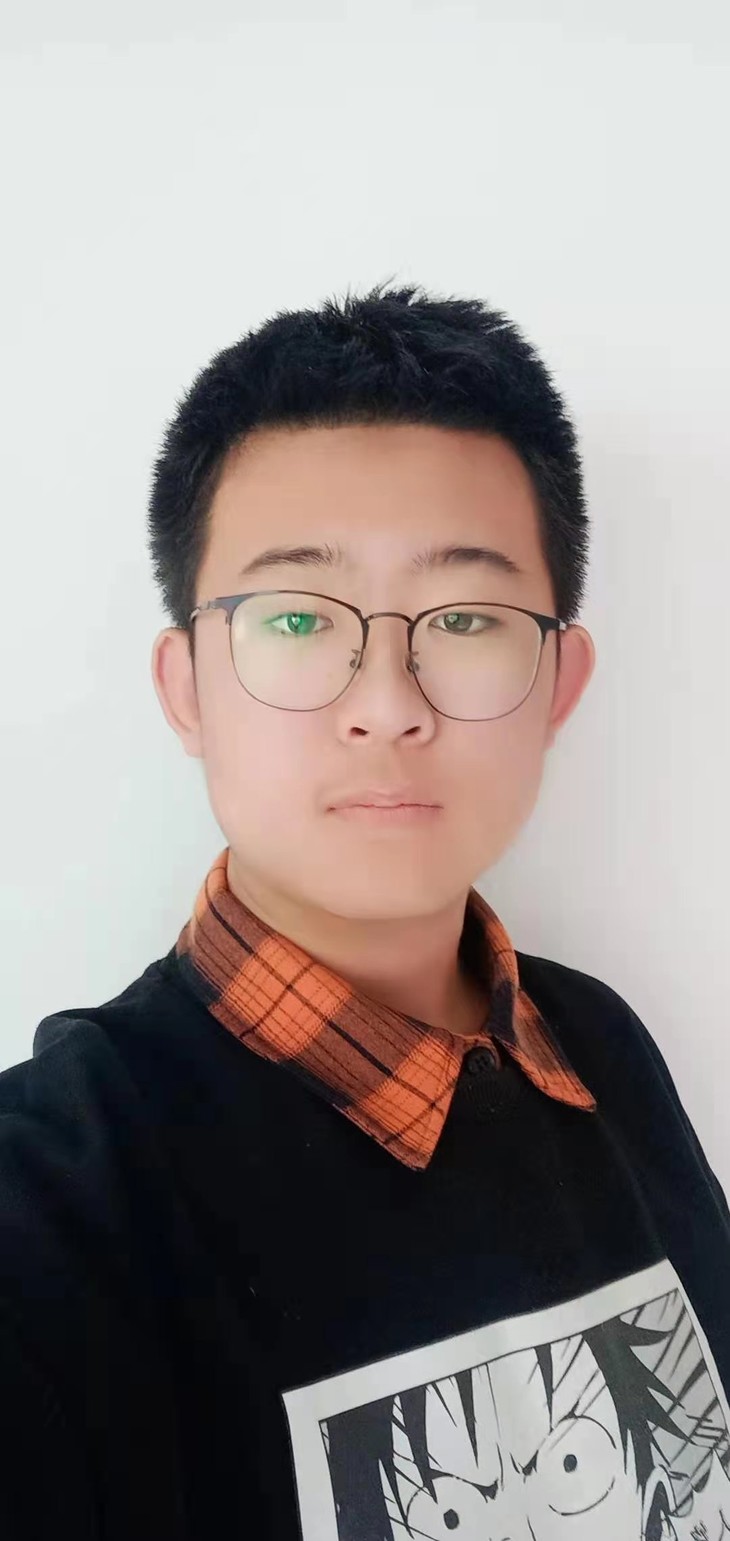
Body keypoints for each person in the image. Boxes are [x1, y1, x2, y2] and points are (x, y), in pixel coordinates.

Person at [0, 282, 728, 1541]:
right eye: (294, 615)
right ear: (186, 687)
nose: (386, 703)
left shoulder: (602, 1044)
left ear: (558, 682)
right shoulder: (56, 1208)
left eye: (465, 618)